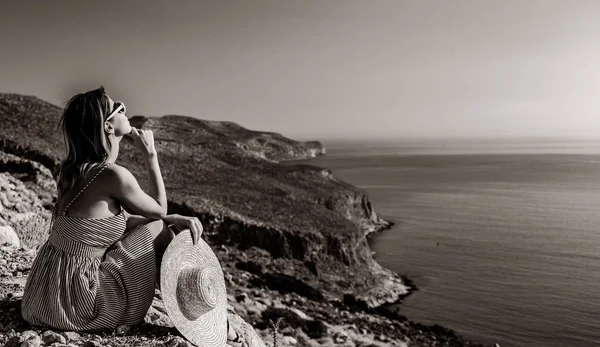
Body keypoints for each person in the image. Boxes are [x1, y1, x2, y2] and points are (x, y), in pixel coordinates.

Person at [21, 86, 246, 346]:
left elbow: (110, 224)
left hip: (43, 295)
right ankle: (197, 317)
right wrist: (150, 155)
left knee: (160, 225)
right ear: (108, 126)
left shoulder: (72, 172)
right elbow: (159, 210)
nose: (125, 109)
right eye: (119, 107)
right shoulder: (113, 175)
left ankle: (197, 314)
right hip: (78, 305)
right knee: (161, 231)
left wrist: (171, 217)